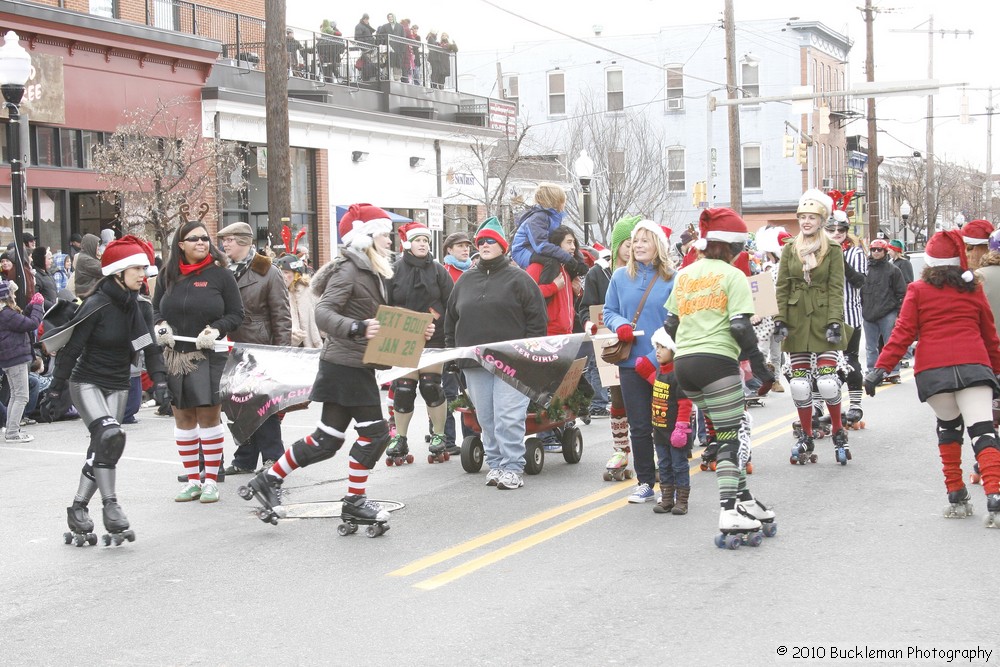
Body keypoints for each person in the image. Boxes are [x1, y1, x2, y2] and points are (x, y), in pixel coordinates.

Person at [243, 204, 429, 525]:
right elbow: (323, 312)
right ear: (366, 238)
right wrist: (356, 327)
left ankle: (268, 479)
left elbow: (383, 318)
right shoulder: (349, 271)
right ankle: (355, 501)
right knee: (375, 434)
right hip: (346, 364)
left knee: (326, 440)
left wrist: (416, 331)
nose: (390, 241)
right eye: (384, 234)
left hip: (351, 363)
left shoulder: (373, 271)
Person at [865, 229, 1000, 527]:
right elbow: (990, 335)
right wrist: (997, 371)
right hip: (973, 365)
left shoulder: (918, 289)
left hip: (933, 371)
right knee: (983, 431)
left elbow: (902, 334)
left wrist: (879, 369)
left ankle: (956, 494)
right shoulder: (972, 287)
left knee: (949, 428)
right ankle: (995, 497)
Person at [41, 236, 168, 545]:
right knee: (110, 435)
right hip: (87, 381)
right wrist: (55, 389)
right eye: (137, 268)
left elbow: (148, 347)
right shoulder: (97, 305)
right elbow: (71, 350)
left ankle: (78, 508)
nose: (143, 274)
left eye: (144, 269)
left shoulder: (138, 308)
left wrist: (162, 383)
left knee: (105, 446)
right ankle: (111, 505)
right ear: (118, 272)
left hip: (118, 384)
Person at [663, 207, 777, 543]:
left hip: (686, 367)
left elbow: (670, 323)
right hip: (717, 364)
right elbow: (740, 326)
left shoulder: (685, 275)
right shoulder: (733, 277)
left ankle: (744, 499)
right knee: (729, 438)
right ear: (732, 247)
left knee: (729, 432)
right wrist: (760, 368)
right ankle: (729, 510)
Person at [444, 217, 547, 490]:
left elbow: (537, 321)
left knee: (508, 416)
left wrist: (529, 354)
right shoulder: (464, 281)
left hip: (513, 362)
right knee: (486, 418)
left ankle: (513, 467)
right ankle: (497, 464)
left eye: (490, 241)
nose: (484, 245)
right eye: (480, 241)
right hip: (474, 362)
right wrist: (452, 354)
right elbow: (450, 319)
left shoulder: (520, 279)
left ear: (502, 246)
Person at [153, 219, 244, 504]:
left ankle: (210, 482)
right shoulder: (166, 274)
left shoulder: (221, 276)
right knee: (183, 417)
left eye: (205, 238)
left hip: (210, 353)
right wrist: (160, 326)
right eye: (194, 239)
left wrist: (216, 329)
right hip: (176, 355)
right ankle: (192, 480)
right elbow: (155, 309)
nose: (202, 243)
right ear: (180, 245)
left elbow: (236, 314)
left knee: (208, 415)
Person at [774, 189, 851, 465]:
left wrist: (834, 321)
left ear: (822, 220)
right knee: (798, 384)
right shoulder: (789, 249)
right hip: (796, 318)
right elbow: (782, 286)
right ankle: (806, 434)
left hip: (822, 316)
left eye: (812, 217)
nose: (806, 222)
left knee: (828, 381)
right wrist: (779, 319)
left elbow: (835, 287)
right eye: (802, 217)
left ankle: (839, 430)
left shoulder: (832, 249)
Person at [602, 219, 675, 503]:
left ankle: (669, 479)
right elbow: (609, 310)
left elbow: (676, 321)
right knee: (640, 425)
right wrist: (620, 324)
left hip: (663, 363)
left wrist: (654, 357)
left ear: (659, 246)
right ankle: (645, 481)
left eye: (646, 240)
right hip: (631, 364)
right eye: (636, 241)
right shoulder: (620, 277)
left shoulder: (672, 278)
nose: (639, 245)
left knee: (664, 424)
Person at [217, 221, 292, 477]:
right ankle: (244, 458)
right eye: (223, 240)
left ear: (243, 241)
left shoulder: (268, 270)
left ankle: (273, 456)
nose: (224, 244)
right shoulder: (224, 270)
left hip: (261, 348)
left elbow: (282, 316)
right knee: (237, 405)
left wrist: (282, 355)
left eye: (228, 239)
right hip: (231, 346)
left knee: (262, 404)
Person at [386, 221, 454, 461]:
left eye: (426, 240)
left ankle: (438, 435)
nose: (423, 244)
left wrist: (431, 318)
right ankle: (400, 438)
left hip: (433, 337)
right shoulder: (393, 270)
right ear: (408, 244)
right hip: (404, 337)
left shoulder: (438, 271)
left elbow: (450, 301)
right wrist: (404, 321)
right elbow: (384, 303)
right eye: (418, 240)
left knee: (430, 385)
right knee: (403, 389)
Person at [586, 216, 639, 479]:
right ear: (617, 245)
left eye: (636, 243)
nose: (631, 248)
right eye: (627, 243)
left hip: (642, 343)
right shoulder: (600, 273)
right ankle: (620, 449)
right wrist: (588, 323)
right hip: (610, 342)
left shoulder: (646, 272)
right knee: (617, 398)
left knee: (648, 399)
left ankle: (650, 450)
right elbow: (591, 307)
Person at [526, 225, 583, 451]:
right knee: (546, 387)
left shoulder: (565, 268)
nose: (573, 247)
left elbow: (566, 304)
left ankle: (561, 426)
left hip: (565, 335)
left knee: (562, 386)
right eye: (569, 242)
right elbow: (528, 295)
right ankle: (547, 434)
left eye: (574, 243)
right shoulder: (539, 264)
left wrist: (575, 290)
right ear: (556, 244)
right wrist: (553, 286)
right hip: (546, 334)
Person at [635, 328, 694, 515]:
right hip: (660, 430)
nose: (658, 351)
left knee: (679, 465)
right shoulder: (661, 371)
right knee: (664, 465)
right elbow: (660, 386)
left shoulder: (680, 374)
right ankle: (667, 498)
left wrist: (681, 428)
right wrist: (646, 373)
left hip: (675, 431)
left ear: (673, 349)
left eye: (663, 347)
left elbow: (685, 403)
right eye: (657, 347)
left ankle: (682, 501)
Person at [825, 215, 867, 426]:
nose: (836, 233)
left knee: (850, 362)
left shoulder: (854, 252)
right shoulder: (819, 251)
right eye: (831, 229)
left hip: (849, 314)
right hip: (824, 316)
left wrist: (840, 259)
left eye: (840, 229)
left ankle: (855, 405)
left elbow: (860, 281)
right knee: (825, 365)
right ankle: (823, 408)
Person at [511, 183, 587, 279]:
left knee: (563, 256)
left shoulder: (554, 218)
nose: (564, 204)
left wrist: (578, 260)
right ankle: (545, 289)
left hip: (537, 247)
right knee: (551, 261)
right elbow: (541, 246)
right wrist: (568, 258)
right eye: (562, 201)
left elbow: (558, 243)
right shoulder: (537, 218)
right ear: (555, 201)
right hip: (523, 250)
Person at [0, 279, 44, 443]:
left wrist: (31, 307)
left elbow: (21, 321)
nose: (15, 295)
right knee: (21, 396)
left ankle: (12, 429)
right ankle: (12, 432)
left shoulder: (5, 313)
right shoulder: (6, 313)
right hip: (15, 359)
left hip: (9, 360)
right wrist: (38, 306)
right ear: (7, 296)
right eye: (13, 293)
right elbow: (32, 323)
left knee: (15, 396)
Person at [861, 238, 906, 383]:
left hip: (888, 312)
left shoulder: (893, 270)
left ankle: (893, 371)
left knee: (890, 344)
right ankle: (872, 371)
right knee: (870, 346)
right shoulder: (864, 269)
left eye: (879, 250)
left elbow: (901, 293)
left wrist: (899, 313)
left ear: (885, 251)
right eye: (873, 249)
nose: (876, 252)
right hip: (868, 313)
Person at [578, 242, 613, 418]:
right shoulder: (596, 274)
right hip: (599, 328)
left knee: (596, 366)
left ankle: (599, 401)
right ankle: (598, 402)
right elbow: (585, 306)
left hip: (615, 328)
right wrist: (588, 321)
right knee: (597, 365)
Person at [276, 254, 322, 348]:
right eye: (280, 272)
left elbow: (322, 316)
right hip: (290, 345)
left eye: (286, 272)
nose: (282, 276)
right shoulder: (278, 293)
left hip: (313, 345)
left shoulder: (311, 291)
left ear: (296, 274)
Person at [73, 233, 103, 299]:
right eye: (97, 246)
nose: (98, 248)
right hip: (87, 295)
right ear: (91, 245)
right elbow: (103, 270)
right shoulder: (85, 259)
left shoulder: (87, 257)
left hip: (89, 294)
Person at [377, 13, 404, 81]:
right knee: (388, 63)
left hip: (397, 49)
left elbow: (403, 38)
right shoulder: (385, 26)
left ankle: (397, 79)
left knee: (397, 64)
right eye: (389, 17)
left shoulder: (400, 27)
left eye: (391, 17)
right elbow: (380, 36)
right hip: (388, 49)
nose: (390, 19)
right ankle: (387, 78)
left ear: (394, 17)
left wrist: (402, 49)